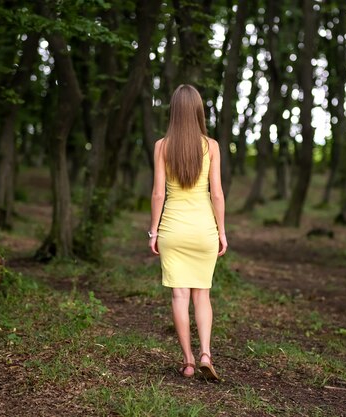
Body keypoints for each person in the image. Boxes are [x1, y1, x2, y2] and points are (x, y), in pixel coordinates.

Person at [149, 84, 228, 380]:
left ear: (174, 112)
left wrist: (153, 232)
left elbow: (158, 194)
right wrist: (221, 231)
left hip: (173, 228)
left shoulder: (162, 146)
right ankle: (206, 352)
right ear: (198, 111)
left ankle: (189, 361)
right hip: (203, 228)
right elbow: (217, 194)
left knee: (179, 296)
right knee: (202, 295)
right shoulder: (212, 146)